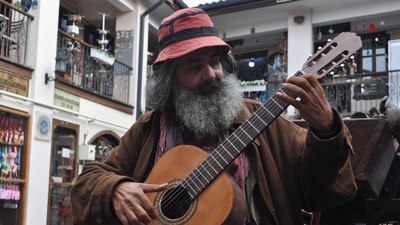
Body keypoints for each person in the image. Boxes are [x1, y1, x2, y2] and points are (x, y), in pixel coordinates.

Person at [70, 7, 357, 225]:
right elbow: (87, 182)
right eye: (194, 66)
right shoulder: (149, 130)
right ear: (170, 80)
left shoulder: (263, 122)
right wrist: (116, 189)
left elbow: (325, 192)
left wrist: (327, 130)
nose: (211, 74)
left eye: (215, 62)